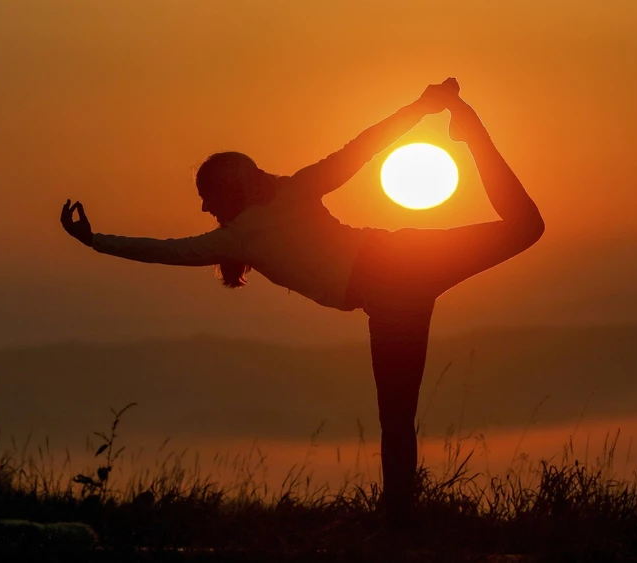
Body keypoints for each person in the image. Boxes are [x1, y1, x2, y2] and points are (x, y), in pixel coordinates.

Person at [61, 78, 544, 529]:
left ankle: (397, 515)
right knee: (398, 410)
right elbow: (363, 147)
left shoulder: (250, 228)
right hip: (397, 273)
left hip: (394, 277)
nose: (205, 208)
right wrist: (421, 107)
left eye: (207, 196)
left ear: (234, 189)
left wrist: (94, 241)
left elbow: (168, 251)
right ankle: (399, 516)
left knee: (396, 412)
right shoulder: (266, 214)